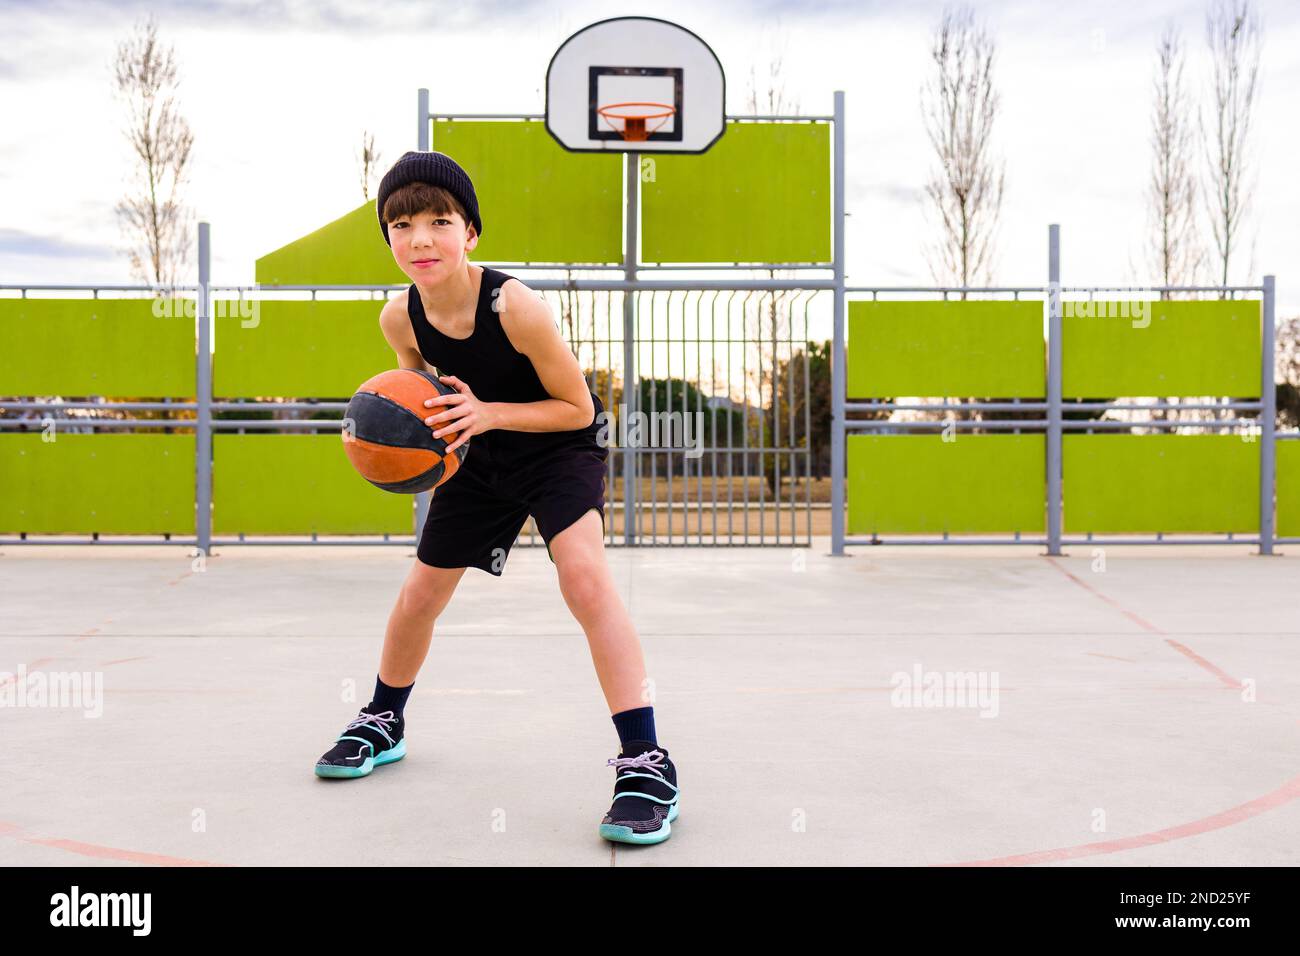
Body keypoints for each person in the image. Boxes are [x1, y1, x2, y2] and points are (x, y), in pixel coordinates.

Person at [313, 151, 679, 845]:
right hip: (476, 452)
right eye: (401, 224)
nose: (420, 239)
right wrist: (412, 442)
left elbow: (577, 408)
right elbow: (418, 399)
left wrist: (489, 415)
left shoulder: (515, 307)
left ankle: (646, 763)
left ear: (470, 233)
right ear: (387, 238)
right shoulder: (400, 319)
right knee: (420, 593)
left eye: (439, 221)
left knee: (585, 579)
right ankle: (383, 718)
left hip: (554, 446)